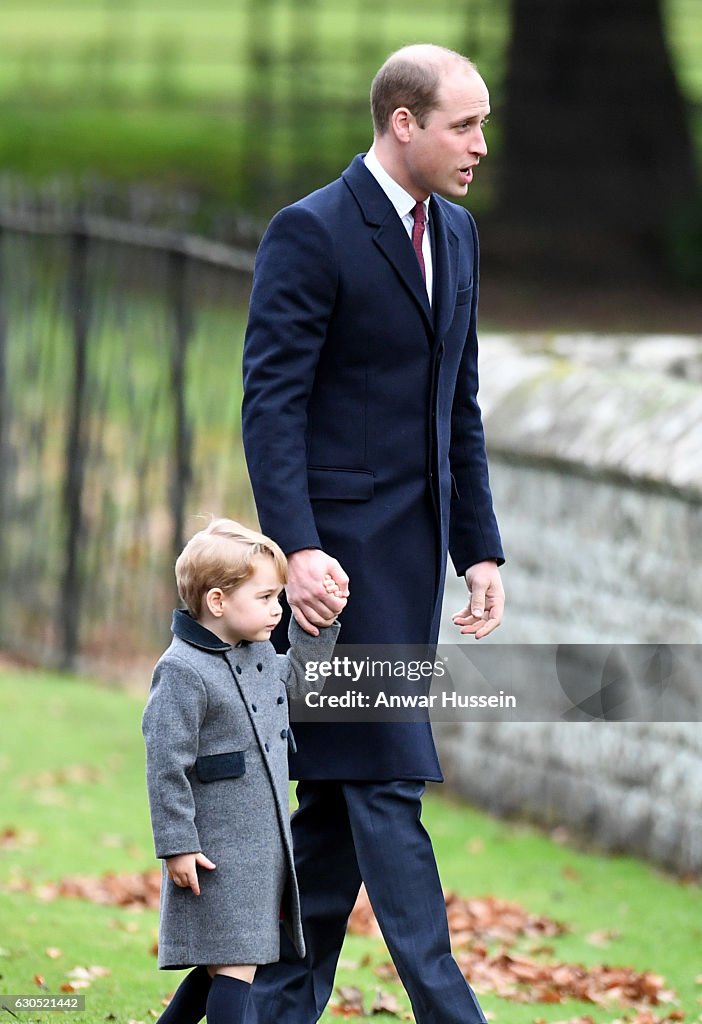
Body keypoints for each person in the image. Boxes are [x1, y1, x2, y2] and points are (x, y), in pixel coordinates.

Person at [241, 43, 505, 1024]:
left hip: (413, 569)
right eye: (464, 124)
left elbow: (458, 407)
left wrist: (477, 548)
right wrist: (298, 548)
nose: (481, 142)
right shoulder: (310, 231)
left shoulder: (463, 236)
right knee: (386, 782)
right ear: (404, 123)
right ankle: (451, 1010)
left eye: (484, 121)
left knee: (332, 819)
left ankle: (247, 1011)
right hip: (336, 584)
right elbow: (272, 404)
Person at [141, 518, 342, 1024]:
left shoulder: (257, 655)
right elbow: (166, 764)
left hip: (262, 853)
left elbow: (300, 691)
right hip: (215, 853)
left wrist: (317, 627)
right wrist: (177, 844)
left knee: (226, 962)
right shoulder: (183, 669)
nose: (278, 609)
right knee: (235, 966)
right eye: (267, 597)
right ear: (217, 602)